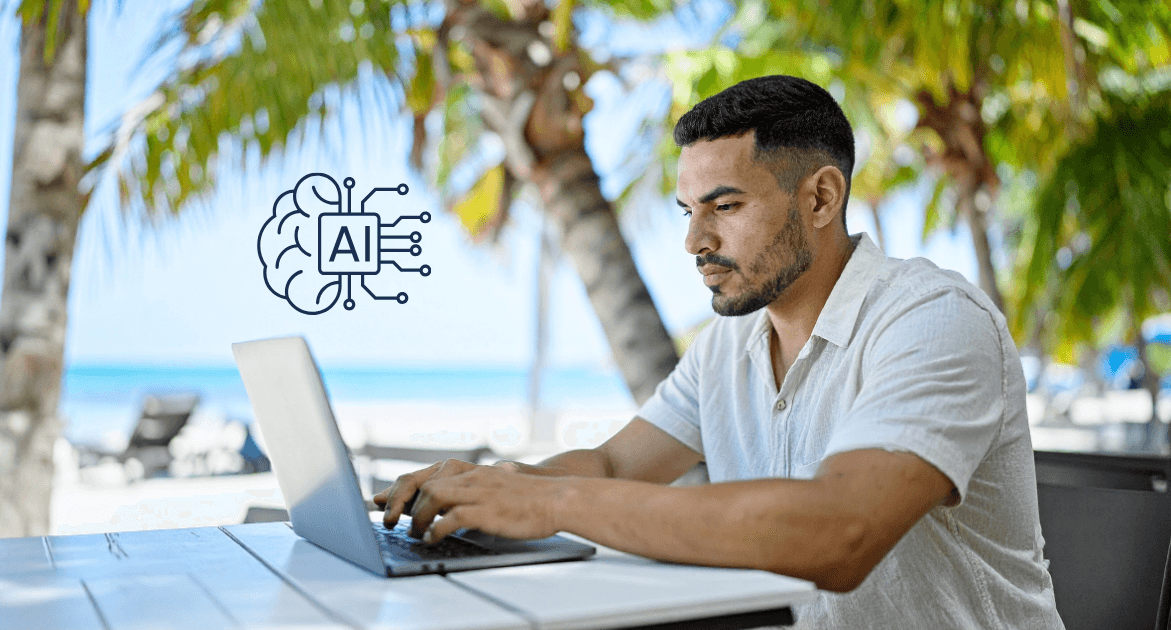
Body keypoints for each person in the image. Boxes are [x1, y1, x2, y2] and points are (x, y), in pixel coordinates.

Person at [373, 75, 1063, 629]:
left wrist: (554, 505)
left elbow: (840, 533)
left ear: (821, 197)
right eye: (687, 210)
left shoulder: (934, 321)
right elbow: (616, 463)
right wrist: (495, 489)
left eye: (724, 207)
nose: (694, 241)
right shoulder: (730, 343)